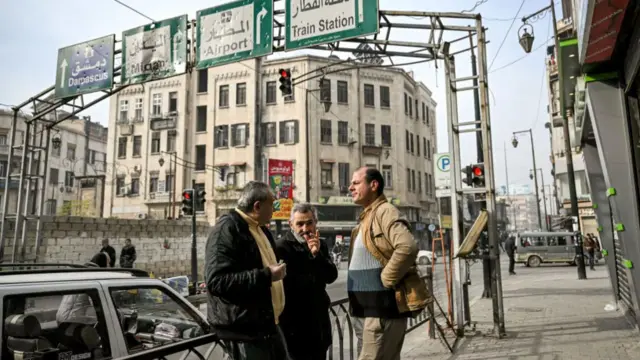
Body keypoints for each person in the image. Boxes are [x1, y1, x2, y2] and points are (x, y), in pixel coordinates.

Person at [347, 167, 430, 360]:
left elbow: (407, 247)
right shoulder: (368, 216)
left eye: (356, 183)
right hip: (366, 310)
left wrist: (386, 278)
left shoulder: (385, 211)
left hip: (380, 310)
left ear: (374, 185)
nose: (350, 187)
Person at [205, 181, 289, 360]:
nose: (274, 210)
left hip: (268, 326)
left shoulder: (261, 229)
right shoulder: (227, 229)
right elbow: (216, 281)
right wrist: (267, 275)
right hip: (244, 334)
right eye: (271, 204)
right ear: (257, 206)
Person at [275, 203, 338, 360]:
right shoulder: (282, 247)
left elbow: (331, 276)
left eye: (309, 223)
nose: (305, 228)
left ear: (315, 222)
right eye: (300, 224)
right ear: (291, 225)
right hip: (294, 325)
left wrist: (317, 255)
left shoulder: (320, 244)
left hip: (318, 324)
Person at [56, 252, 110, 324]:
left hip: (60, 315)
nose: (109, 266)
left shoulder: (81, 272)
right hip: (71, 319)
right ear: (102, 263)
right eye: (108, 263)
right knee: (102, 323)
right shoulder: (94, 276)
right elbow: (96, 302)